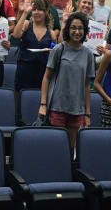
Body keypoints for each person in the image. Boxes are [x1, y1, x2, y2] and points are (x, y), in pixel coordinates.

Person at [39, 12, 94, 150]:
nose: (77, 31)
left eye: (80, 28)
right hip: (57, 107)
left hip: (77, 110)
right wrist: (43, 104)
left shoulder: (88, 54)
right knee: (55, 149)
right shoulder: (59, 49)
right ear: (68, 29)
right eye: (73, 28)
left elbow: (87, 86)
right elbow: (46, 78)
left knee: (69, 150)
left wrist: (87, 113)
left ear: (85, 30)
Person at [12, 0, 57, 92]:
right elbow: (16, 35)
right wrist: (24, 13)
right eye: (34, 9)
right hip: (24, 72)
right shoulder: (27, 24)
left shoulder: (51, 33)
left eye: (40, 9)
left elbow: (55, 55)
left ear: (46, 12)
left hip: (42, 74)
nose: (36, 12)